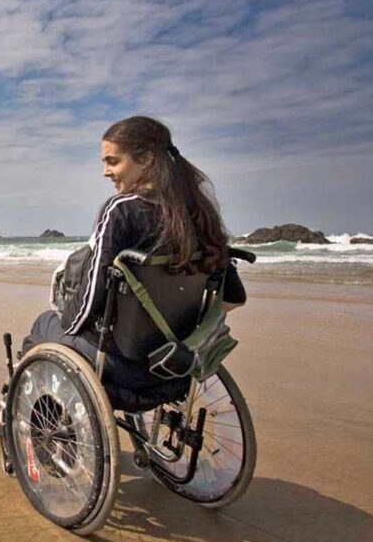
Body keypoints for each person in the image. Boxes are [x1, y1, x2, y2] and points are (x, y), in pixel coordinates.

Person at [23, 115, 246, 411]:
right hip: (173, 366)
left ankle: (41, 422)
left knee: (45, 323)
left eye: (113, 161)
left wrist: (66, 315)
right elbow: (233, 298)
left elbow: (86, 309)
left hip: (121, 370)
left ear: (146, 159)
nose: (106, 172)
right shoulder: (198, 213)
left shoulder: (122, 210)